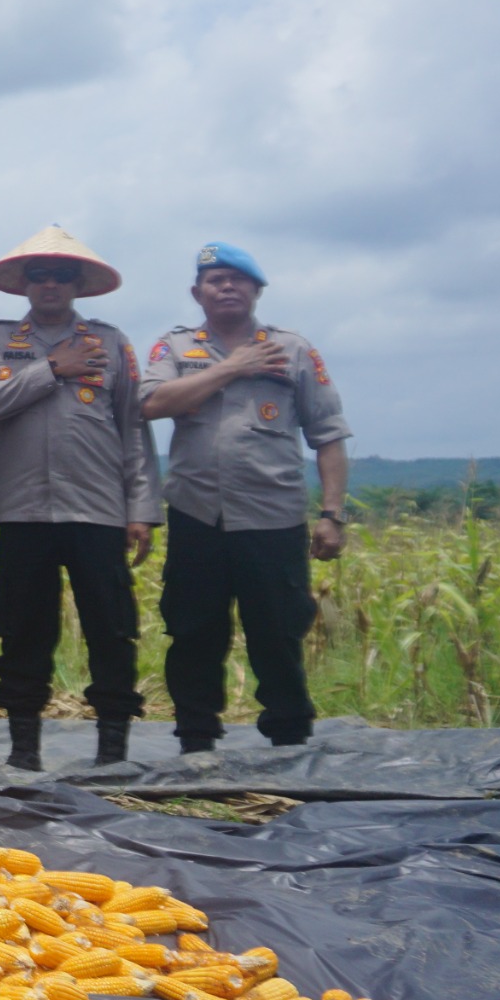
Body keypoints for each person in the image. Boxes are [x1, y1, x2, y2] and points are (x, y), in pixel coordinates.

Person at [0, 226, 160, 771]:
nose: (50, 283)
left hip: (98, 510)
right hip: (24, 512)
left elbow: (133, 429)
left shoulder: (113, 342)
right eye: (40, 275)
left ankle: (112, 752)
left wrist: (141, 507)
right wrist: (52, 369)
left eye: (62, 275)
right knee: (24, 629)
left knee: (111, 627)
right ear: (25, 284)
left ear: (78, 285)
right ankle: (24, 751)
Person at [141, 241, 352, 752]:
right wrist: (232, 367)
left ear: (257, 289)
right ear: (198, 292)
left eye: (238, 278)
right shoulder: (174, 348)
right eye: (216, 280)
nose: (227, 286)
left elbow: (328, 435)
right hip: (197, 515)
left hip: (272, 517)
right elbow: (150, 402)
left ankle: (289, 738)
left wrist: (332, 515)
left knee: (278, 634)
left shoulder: (294, 349)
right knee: (193, 633)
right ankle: (196, 740)